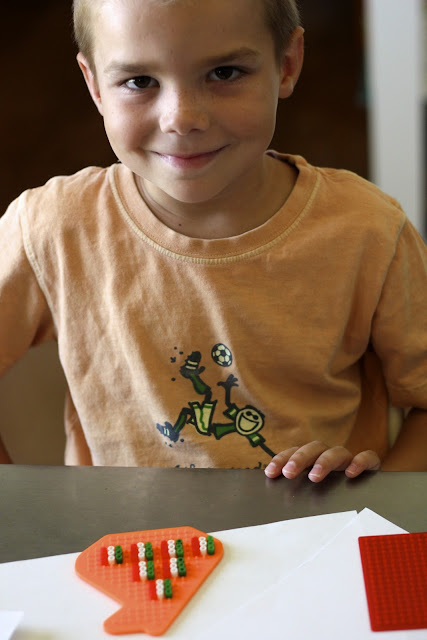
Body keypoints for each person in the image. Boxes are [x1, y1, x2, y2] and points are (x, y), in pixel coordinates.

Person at [0, 0, 426, 481]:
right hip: (122, 532)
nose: (182, 118)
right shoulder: (51, 228)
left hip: (322, 526)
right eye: (140, 81)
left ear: (287, 64)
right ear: (94, 84)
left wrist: (376, 503)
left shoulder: (369, 231)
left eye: (224, 73)